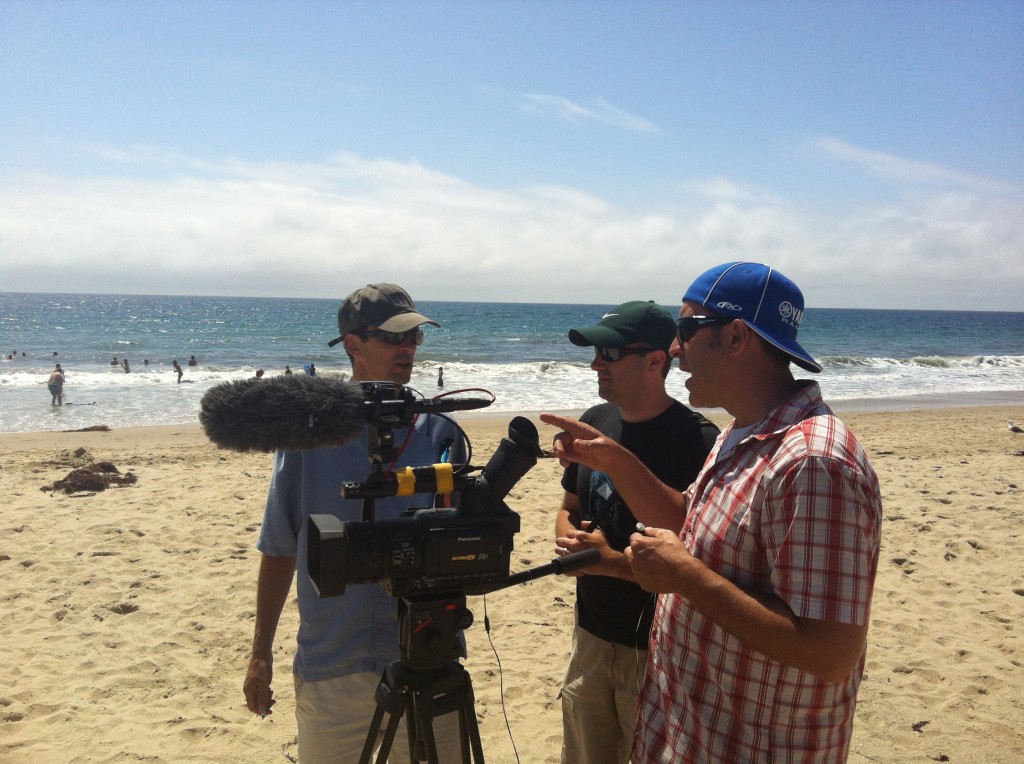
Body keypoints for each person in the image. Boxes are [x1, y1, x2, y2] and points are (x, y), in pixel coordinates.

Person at [542, 262, 883, 763]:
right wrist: (612, 459)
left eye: (685, 330)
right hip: (696, 728)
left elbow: (830, 653)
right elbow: (692, 524)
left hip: (751, 745)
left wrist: (687, 578)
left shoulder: (814, 462)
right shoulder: (741, 432)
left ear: (737, 337)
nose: (675, 349)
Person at [244, 283, 466, 762]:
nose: (407, 348)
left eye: (414, 338)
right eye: (393, 337)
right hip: (333, 663)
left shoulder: (440, 430)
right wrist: (260, 652)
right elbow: (280, 546)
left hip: (427, 657)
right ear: (353, 343)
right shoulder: (305, 438)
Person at [553, 301, 718, 764]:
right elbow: (568, 506)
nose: (595, 364)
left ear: (654, 360)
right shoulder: (597, 421)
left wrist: (610, 563)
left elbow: (699, 564)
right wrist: (570, 541)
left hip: (656, 652)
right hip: (589, 637)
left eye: (609, 352)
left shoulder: (699, 441)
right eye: (595, 352)